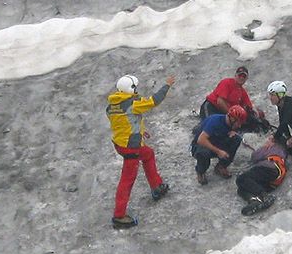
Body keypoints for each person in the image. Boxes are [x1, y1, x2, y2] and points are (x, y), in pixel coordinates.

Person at [106, 74, 176, 229]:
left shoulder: (111, 106)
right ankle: (119, 216)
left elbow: (123, 122)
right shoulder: (133, 103)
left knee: (148, 154)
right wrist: (167, 85)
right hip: (131, 147)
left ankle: (156, 186)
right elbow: (154, 100)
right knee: (127, 181)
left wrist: (139, 131)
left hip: (121, 143)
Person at [200, 66, 270, 133]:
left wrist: (257, 115)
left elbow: (249, 107)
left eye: (244, 76)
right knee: (208, 126)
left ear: (246, 79)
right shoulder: (226, 82)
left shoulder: (242, 92)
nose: (241, 78)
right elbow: (220, 102)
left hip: (224, 113)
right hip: (211, 106)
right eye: (240, 75)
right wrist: (232, 116)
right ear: (235, 76)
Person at [191, 105, 247, 185]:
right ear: (232, 119)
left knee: (236, 139)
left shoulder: (231, 124)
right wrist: (218, 151)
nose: (239, 126)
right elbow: (201, 140)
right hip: (201, 144)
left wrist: (232, 133)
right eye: (238, 123)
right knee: (203, 153)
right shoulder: (215, 121)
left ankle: (221, 166)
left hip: (216, 141)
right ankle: (200, 171)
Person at [236, 137, 288, 216]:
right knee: (242, 188)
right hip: (274, 177)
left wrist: (264, 147)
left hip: (268, 168)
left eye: (269, 139)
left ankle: (264, 196)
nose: (267, 140)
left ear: (273, 141)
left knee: (241, 179)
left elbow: (255, 156)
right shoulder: (282, 151)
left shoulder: (271, 147)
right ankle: (254, 200)